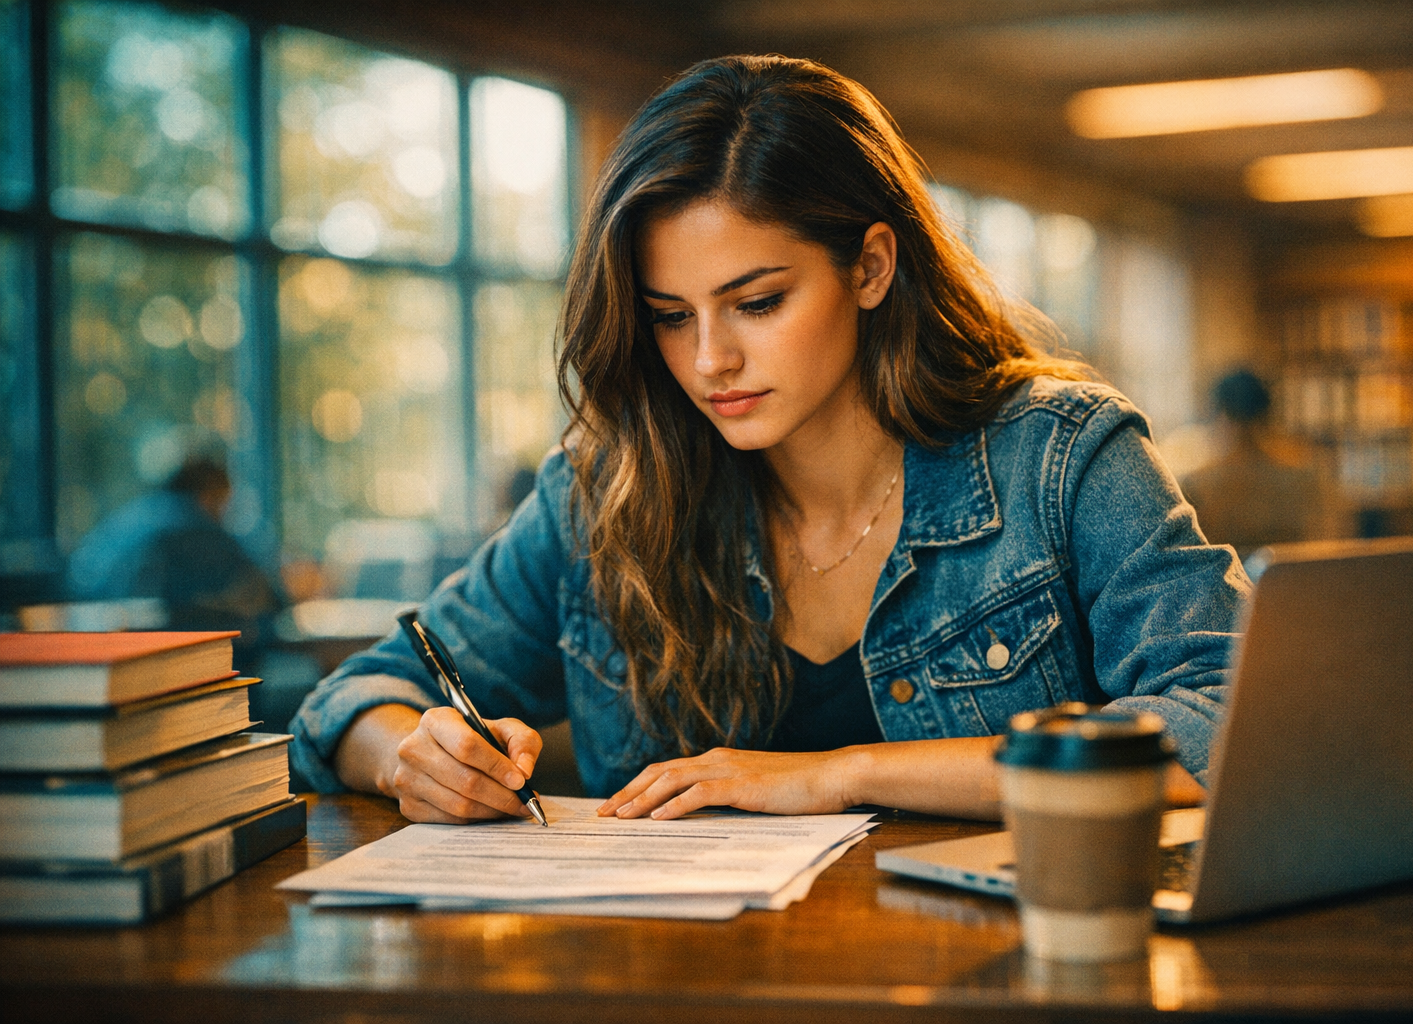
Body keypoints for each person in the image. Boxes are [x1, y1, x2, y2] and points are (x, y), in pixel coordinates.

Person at [290, 55, 1248, 824]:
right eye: (670, 316)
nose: (711, 360)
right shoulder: (604, 497)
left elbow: (1225, 721)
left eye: (757, 302)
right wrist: (409, 762)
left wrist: (840, 774)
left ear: (870, 267)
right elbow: (358, 699)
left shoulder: (1061, 461)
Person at [67, 456, 283, 650]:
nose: (222, 516)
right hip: (137, 643)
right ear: (208, 496)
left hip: (83, 633)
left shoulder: (143, 513)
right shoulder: (192, 526)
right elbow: (264, 591)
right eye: (223, 505)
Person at [1179, 370, 1328, 562]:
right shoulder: (1303, 479)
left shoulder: (1196, 486)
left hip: (1225, 591)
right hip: (1290, 589)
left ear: (1220, 414)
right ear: (1267, 413)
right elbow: (1322, 552)